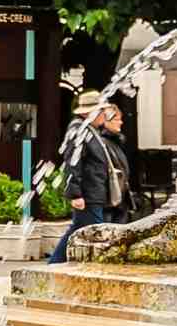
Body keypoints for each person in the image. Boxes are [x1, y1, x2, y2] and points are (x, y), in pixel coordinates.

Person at [49, 92, 132, 264]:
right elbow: (73, 163)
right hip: (88, 194)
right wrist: (75, 194)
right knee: (94, 233)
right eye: (100, 111)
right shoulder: (79, 130)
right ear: (89, 112)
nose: (103, 115)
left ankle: (55, 264)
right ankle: (61, 264)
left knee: (79, 230)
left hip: (93, 192)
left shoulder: (89, 130)